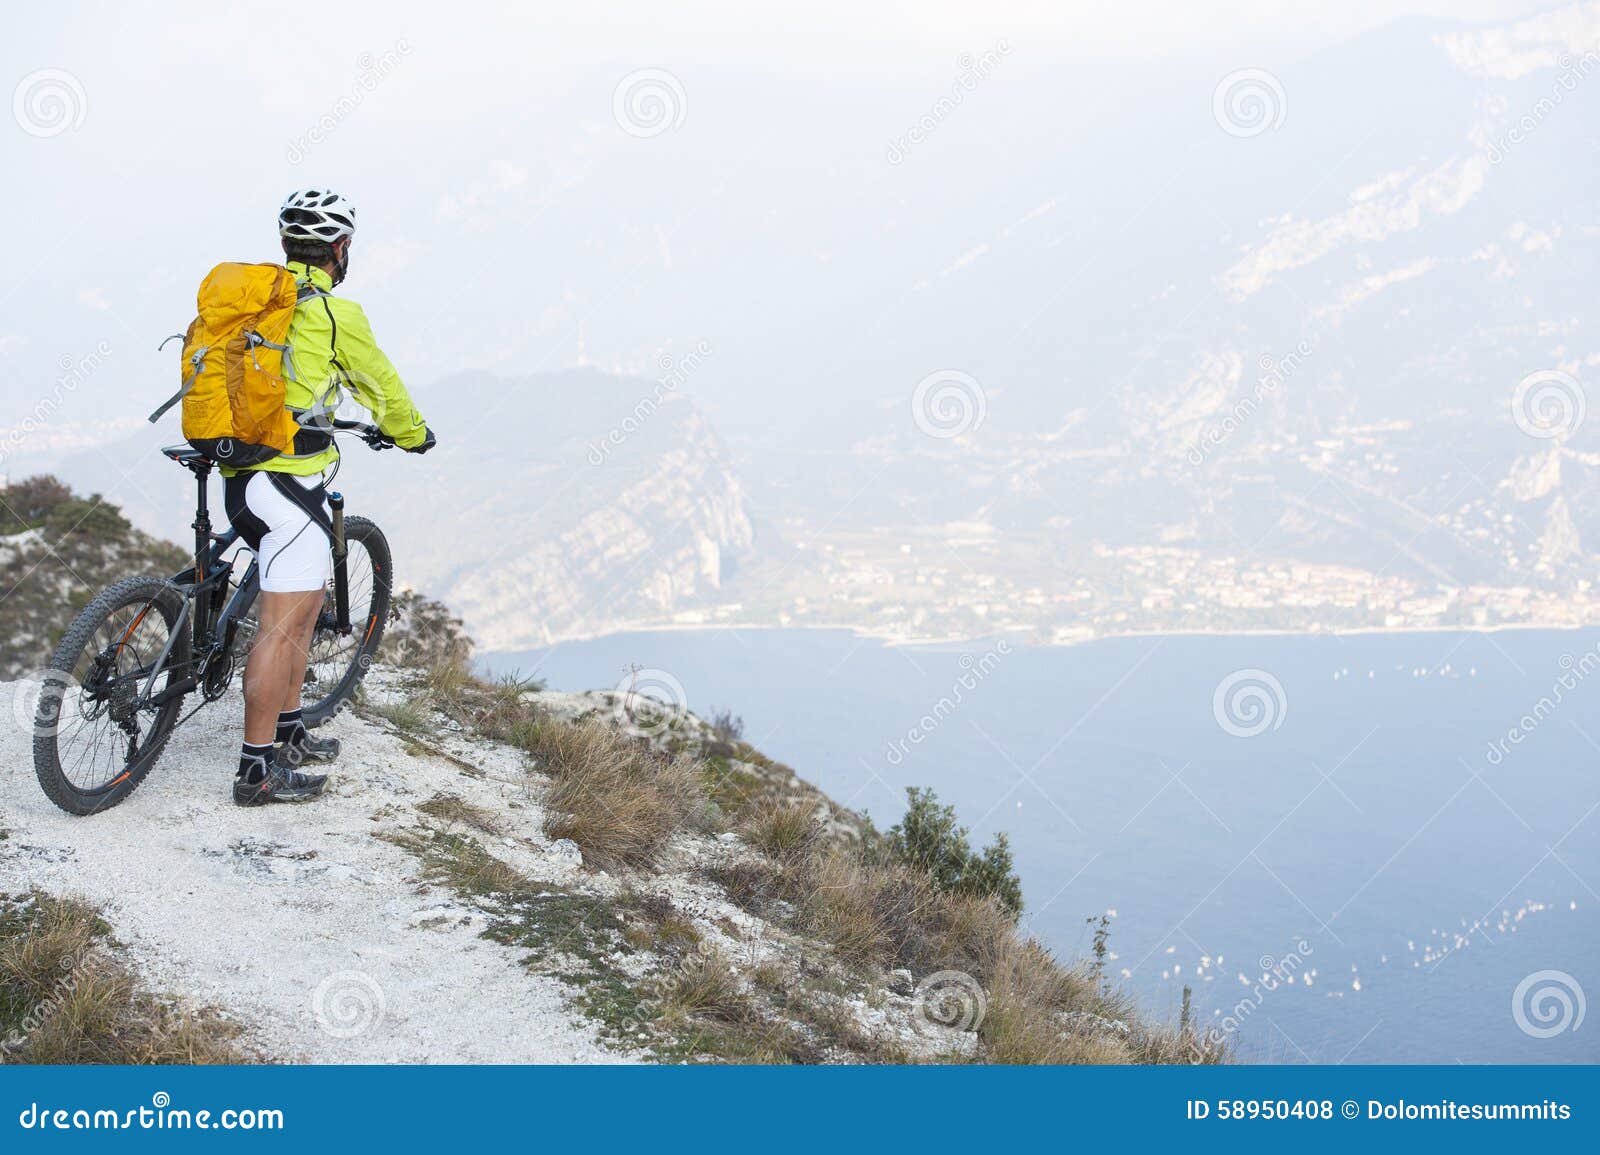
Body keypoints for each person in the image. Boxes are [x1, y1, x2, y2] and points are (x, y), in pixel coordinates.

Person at [223, 188, 435, 806]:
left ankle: (288, 733)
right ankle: (257, 772)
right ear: (339, 250)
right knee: (281, 629)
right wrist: (412, 434)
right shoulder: (334, 315)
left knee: (305, 607)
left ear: (288, 247)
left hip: (241, 473)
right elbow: (382, 387)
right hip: (288, 483)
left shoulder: (252, 301)